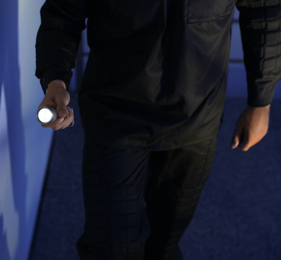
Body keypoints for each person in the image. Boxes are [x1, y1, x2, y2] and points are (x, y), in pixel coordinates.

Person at [35, 0, 281, 259]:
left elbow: (263, 11)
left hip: (196, 119)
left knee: (164, 242)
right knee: (110, 248)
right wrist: (55, 80)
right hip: (116, 117)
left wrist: (261, 101)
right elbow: (61, 14)